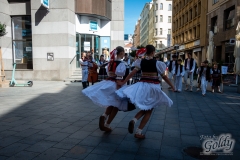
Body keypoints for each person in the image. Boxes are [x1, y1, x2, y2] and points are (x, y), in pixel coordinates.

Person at [117, 45, 174, 139]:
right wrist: (172, 86)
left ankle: (134, 120)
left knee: (146, 108)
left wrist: (123, 81)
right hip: (153, 87)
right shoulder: (157, 63)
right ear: (153, 52)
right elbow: (164, 77)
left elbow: (132, 73)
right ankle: (138, 131)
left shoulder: (140, 62)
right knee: (149, 110)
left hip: (142, 86)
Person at [82, 46, 129, 132]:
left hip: (109, 83)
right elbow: (119, 75)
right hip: (117, 84)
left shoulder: (110, 63)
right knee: (116, 106)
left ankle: (104, 115)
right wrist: (120, 85)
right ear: (121, 53)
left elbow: (109, 73)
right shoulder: (122, 64)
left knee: (111, 103)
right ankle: (107, 124)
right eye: (123, 53)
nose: (123, 55)